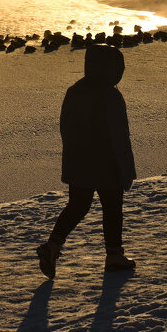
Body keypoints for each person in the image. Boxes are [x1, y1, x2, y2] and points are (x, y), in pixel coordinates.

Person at [37, 44, 137, 279]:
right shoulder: (110, 95)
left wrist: (73, 154)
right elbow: (119, 134)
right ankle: (114, 255)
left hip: (79, 160)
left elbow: (65, 128)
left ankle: (52, 246)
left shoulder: (75, 91)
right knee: (112, 208)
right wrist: (126, 168)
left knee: (78, 205)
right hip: (106, 162)